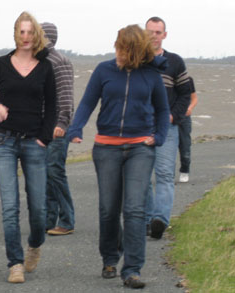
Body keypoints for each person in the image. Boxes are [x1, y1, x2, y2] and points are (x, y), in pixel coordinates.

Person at [68, 24, 169, 289]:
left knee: (135, 209)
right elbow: (88, 102)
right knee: (108, 209)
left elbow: (162, 109)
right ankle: (110, 257)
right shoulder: (104, 70)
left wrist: (158, 137)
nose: (119, 53)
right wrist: (76, 127)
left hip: (140, 147)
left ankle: (132, 269)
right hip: (106, 147)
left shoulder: (151, 75)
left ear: (135, 51)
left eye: (124, 49)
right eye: (118, 47)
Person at [0, 11, 56, 283]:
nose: (25, 37)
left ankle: (35, 243)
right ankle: (15, 262)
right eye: (21, 32)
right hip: (4, 142)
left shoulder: (45, 67)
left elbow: (53, 107)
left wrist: (44, 138)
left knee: (38, 209)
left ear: (36, 35)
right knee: (10, 207)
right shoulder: (1, 64)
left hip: (34, 142)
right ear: (15, 34)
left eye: (30, 32)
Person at [144, 16, 191, 240]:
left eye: (158, 32)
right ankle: (145, 219)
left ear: (164, 35)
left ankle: (160, 220)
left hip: (167, 127)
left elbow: (186, 94)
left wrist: (173, 116)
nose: (153, 35)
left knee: (163, 174)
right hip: (140, 128)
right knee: (140, 176)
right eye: (150, 31)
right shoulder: (136, 61)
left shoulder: (176, 62)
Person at [40, 22, 76, 236]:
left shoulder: (59, 61)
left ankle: (67, 220)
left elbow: (66, 96)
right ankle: (48, 219)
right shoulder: (39, 61)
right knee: (45, 173)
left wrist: (62, 123)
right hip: (42, 127)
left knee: (55, 170)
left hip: (57, 128)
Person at [178, 77, 198, 183]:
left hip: (184, 118)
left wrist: (190, 108)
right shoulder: (165, 79)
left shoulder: (188, 80)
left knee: (185, 147)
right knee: (166, 148)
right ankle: (166, 173)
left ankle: (184, 170)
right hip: (168, 117)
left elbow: (194, 99)